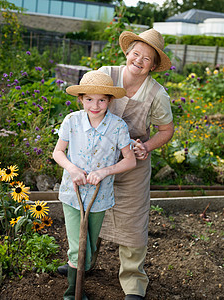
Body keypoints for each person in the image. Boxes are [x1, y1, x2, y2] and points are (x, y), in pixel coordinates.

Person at [57, 28, 174, 299]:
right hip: (94, 157)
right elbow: (87, 105)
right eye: (136, 53)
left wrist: (145, 146)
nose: (139, 60)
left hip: (131, 161)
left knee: (132, 221)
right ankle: (82, 264)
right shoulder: (105, 74)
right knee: (90, 209)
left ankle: (133, 282)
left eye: (147, 58)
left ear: (154, 65)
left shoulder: (157, 93)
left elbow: (166, 130)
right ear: (127, 53)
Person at [53, 70, 136, 300]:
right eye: (89, 99)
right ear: (81, 99)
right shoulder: (72, 121)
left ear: (110, 100)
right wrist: (73, 169)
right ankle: (73, 293)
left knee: (87, 251)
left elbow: (129, 160)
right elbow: (58, 152)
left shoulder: (117, 127)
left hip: (99, 196)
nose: (95, 105)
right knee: (76, 247)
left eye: (101, 100)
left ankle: (81, 270)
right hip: (73, 193)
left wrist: (104, 172)